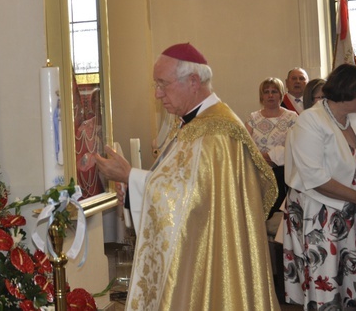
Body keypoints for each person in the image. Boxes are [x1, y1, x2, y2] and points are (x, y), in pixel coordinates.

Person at [93, 43, 280, 311]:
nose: (157, 94)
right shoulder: (193, 123)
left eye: (163, 84)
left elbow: (189, 199)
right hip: (200, 248)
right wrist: (133, 184)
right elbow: (182, 186)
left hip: (216, 255)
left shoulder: (218, 132)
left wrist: (130, 176)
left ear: (193, 81)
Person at [283, 63, 356, 309]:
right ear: (347, 91)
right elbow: (314, 177)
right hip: (321, 213)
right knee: (327, 282)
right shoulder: (310, 120)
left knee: (354, 281)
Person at [245, 77, 298, 218]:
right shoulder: (253, 117)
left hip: (283, 172)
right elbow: (245, 144)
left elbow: (297, 145)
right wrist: (263, 158)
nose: (270, 95)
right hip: (258, 170)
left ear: (281, 94)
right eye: (266, 92)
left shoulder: (292, 117)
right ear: (261, 96)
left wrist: (274, 157)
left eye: (274, 91)